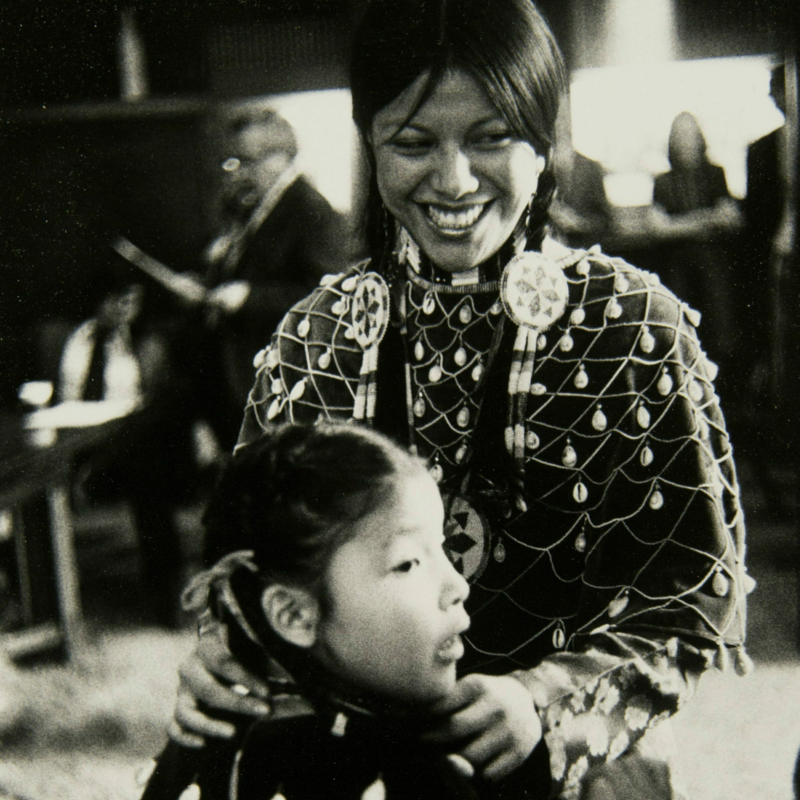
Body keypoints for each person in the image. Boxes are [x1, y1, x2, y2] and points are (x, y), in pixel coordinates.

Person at [172, 2, 752, 798]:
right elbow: (252, 572)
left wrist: (542, 700)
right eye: (412, 143)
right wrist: (225, 658)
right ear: (369, 142)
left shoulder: (631, 329)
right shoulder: (315, 340)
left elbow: (687, 606)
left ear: (543, 139)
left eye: (491, 138)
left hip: (580, 766)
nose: (452, 181)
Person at [142, 422, 475, 800]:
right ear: (294, 616)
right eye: (408, 564)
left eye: (443, 548)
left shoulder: (198, 745)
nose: (457, 587)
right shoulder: (407, 772)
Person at [187, 109, 350, 450]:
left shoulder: (310, 210)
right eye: (232, 162)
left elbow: (329, 298)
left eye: (247, 161)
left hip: (285, 385)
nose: (237, 174)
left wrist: (248, 298)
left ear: (283, 157)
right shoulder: (254, 209)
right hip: (246, 378)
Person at [58, 267, 188, 626]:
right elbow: (66, 393)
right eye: (116, 301)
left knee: (148, 470)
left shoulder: (145, 343)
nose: (124, 310)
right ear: (99, 302)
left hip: (128, 447)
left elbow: (155, 409)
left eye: (132, 302)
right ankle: (46, 596)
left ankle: (165, 595)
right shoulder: (79, 340)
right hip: (80, 440)